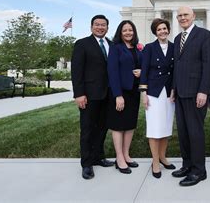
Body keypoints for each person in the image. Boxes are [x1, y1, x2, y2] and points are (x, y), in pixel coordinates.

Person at [171, 6, 210, 187]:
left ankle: (199, 171)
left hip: (196, 92)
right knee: (183, 132)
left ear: (193, 16)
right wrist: (173, 88)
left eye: (185, 15)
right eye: (180, 15)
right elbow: (177, 66)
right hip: (180, 92)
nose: (182, 18)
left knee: (195, 133)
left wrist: (203, 90)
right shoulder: (177, 38)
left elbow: (208, 64)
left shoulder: (204, 35)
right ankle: (187, 165)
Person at [71, 14, 114, 180]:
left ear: (107, 28)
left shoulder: (111, 44)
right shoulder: (82, 44)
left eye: (103, 25)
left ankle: (98, 156)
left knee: (102, 128)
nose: (100, 27)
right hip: (89, 95)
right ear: (91, 27)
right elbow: (76, 71)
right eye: (97, 25)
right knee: (88, 129)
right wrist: (79, 94)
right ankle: (87, 163)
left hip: (107, 95)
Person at [139, 18, 176, 179]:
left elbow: (175, 71)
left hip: (169, 93)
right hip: (153, 93)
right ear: (155, 32)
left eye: (164, 28)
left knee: (166, 128)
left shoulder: (175, 47)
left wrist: (174, 89)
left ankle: (163, 157)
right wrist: (143, 93)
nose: (162, 31)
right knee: (154, 129)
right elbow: (144, 71)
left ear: (168, 30)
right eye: (159, 29)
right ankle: (155, 161)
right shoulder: (149, 48)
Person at [107, 20, 142, 174]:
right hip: (120, 92)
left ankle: (126, 154)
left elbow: (141, 67)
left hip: (134, 92)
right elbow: (112, 72)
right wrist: (118, 95)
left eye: (130, 30)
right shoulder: (116, 48)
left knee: (130, 125)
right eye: (125, 30)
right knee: (118, 125)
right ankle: (119, 158)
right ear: (120, 33)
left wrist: (141, 72)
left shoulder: (137, 49)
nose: (128, 32)